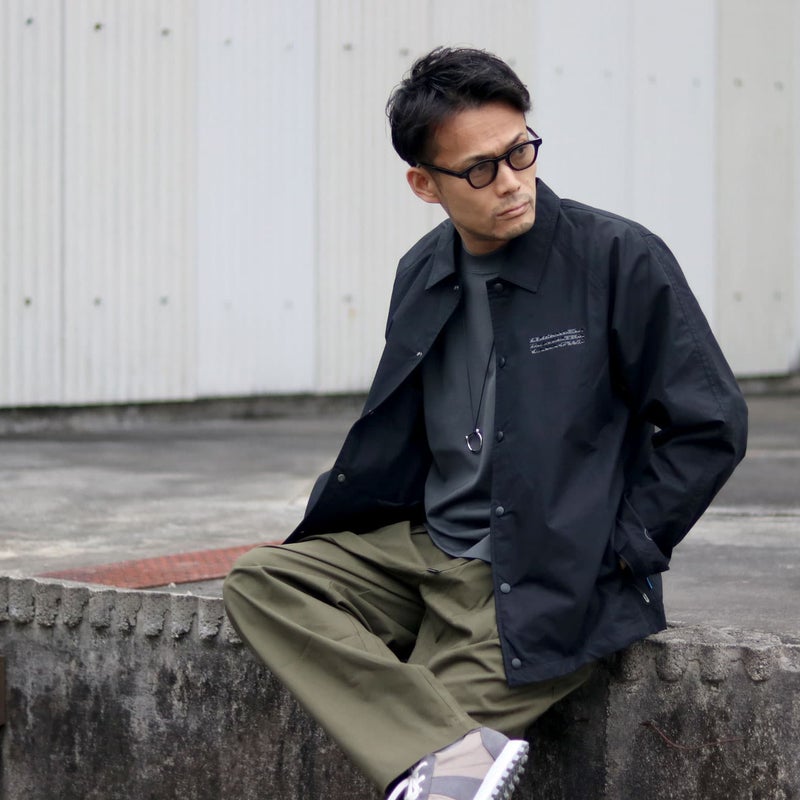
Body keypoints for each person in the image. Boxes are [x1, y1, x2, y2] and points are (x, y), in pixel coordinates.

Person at [223, 46, 748, 800]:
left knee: (432, 776)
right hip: (424, 549)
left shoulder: (616, 257)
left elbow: (711, 423)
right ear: (424, 184)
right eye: (479, 169)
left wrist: (621, 550)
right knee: (262, 582)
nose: (511, 182)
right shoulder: (423, 270)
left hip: (539, 570)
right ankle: (453, 754)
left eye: (520, 152)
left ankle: (447, 763)